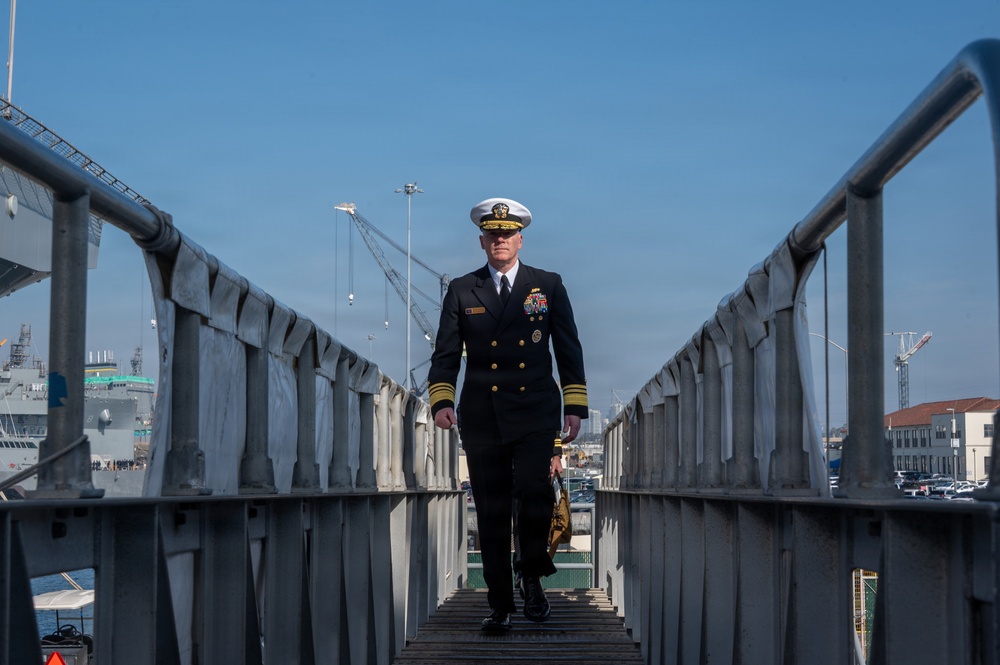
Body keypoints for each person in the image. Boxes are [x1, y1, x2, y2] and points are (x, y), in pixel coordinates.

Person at [428, 197, 588, 632]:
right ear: (482, 241)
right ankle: (499, 605)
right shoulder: (463, 289)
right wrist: (442, 400)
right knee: (493, 510)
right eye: (492, 234)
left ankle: (531, 577)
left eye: (508, 233)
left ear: (520, 240)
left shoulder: (547, 285)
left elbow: (568, 348)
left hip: (535, 412)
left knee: (535, 495)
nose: (500, 239)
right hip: (483, 415)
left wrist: (575, 406)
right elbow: (446, 353)